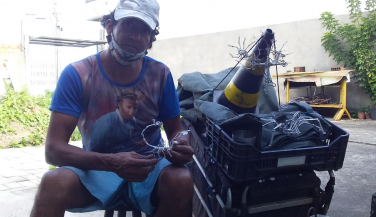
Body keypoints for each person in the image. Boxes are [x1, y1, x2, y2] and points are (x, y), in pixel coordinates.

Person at [30, 0, 194, 216]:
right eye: (128, 25)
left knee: (181, 179)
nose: (135, 35)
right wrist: (110, 162)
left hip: (148, 168)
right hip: (97, 170)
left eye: (144, 29)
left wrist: (180, 141)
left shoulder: (160, 74)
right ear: (109, 26)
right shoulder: (79, 74)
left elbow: (175, 128)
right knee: (53, 183)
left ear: (151, 39)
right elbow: (53, 150)